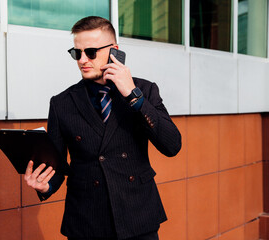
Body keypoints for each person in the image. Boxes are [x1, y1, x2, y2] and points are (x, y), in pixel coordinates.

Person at [24, 16, 181, 240]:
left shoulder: (144, 90)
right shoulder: (62, 103)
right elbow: (57, 166)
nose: (82, 60)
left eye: (91, 52)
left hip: (138, 219)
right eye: (76, 53)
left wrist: (134, 96)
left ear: (114, 50)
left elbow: (172, 145)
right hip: (86, 221)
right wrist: (44, 185)